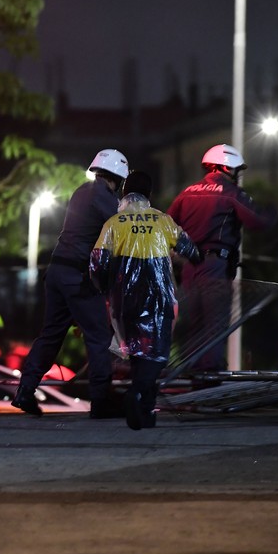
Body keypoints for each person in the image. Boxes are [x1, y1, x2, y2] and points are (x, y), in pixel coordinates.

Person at [11, 148, 129, 418]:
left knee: (51, 335)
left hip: (56, 272)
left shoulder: (81, 191)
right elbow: (121, 229)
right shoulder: (103, 196)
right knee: (99, 337)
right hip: (78, 277)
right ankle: (100, 401)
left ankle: (25, 390)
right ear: (119, 177)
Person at [90, 171, 200, 430]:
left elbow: (97, 263)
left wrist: (105, 289)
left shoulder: (114, 223)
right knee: (157, 354)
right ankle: (137, 394)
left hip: (124, 299)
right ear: (149, 194)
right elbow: (191, 250)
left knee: (138, 354)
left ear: (124, 193)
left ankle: (145, 413)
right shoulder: (162, 220)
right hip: (158, 297)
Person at [167, 143, 275, 373]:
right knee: (214, 327)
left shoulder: (187, 192)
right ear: (226, 168)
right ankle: (211, 379)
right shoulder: (230, 192)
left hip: (189, 268)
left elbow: (166, 224)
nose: (237, 175)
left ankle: (194, 379)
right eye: (236, 170)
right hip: (214, 267)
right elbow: (258, 221)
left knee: (195, 327)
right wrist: (273, 209)